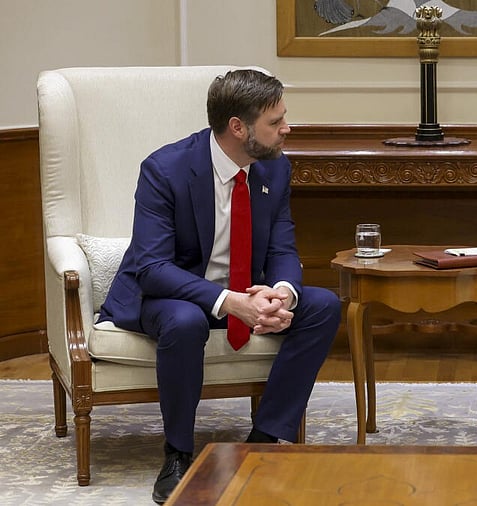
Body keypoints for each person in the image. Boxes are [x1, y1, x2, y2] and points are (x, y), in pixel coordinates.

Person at [98, 69, 341, 504]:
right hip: (169, 295)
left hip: (246, 290)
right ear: (238, 128)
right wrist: (230, 302)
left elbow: (283, 245)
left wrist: (282, 291)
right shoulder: (165, 169)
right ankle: (177, 454)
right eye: (275, 121)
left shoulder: (274, 167)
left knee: (322, 305)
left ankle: (263, 441)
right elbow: (152, 268)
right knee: (187, 321)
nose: (287, 128)